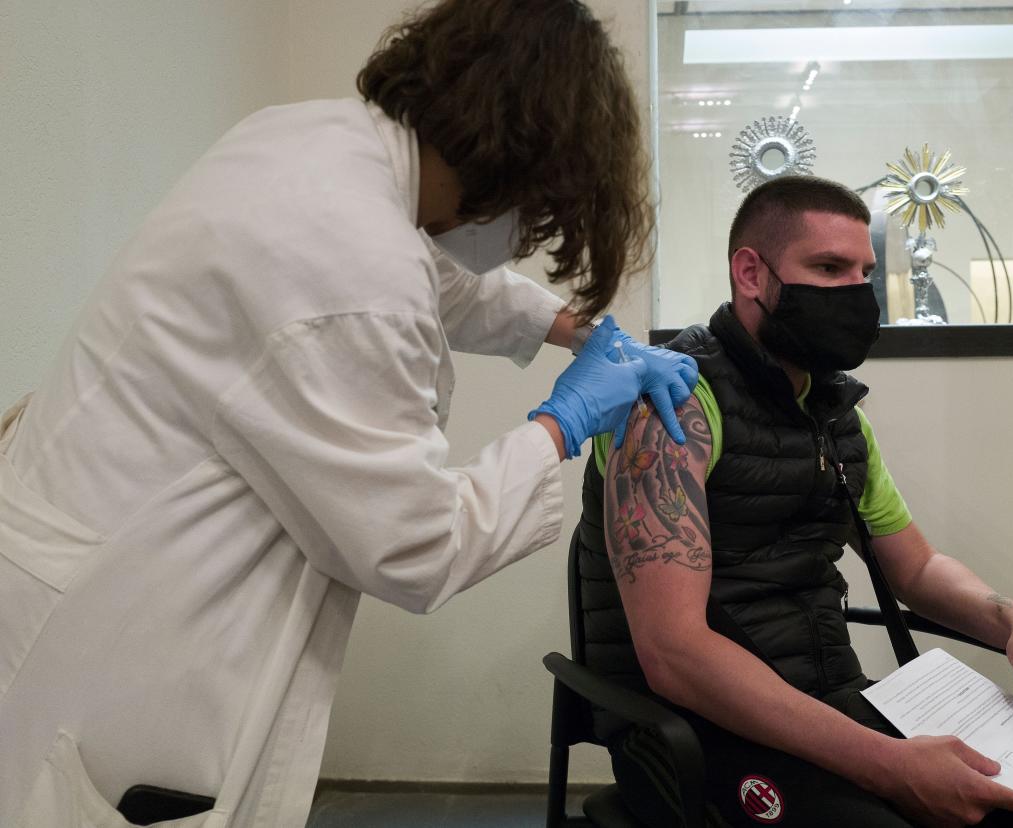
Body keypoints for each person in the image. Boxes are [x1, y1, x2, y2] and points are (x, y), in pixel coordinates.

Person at [0, 1, 696, 825]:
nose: (524, 236)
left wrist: (569, 329)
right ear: (517, 167)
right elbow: (417, 547)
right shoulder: (348, 261)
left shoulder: (311, 144)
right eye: (539, 212)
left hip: (88, 552)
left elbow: (432, 275)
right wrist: (563, 424)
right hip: (129, 635)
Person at [577, 176, 1013, 827]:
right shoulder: (668, 404)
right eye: (827, 268)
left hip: (830, 707)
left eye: (864, 273)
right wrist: (890, 766)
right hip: (696, 733)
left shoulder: (834, 413)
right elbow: (676, 655)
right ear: (750, 273)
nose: (854, 292)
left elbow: (917, 569)